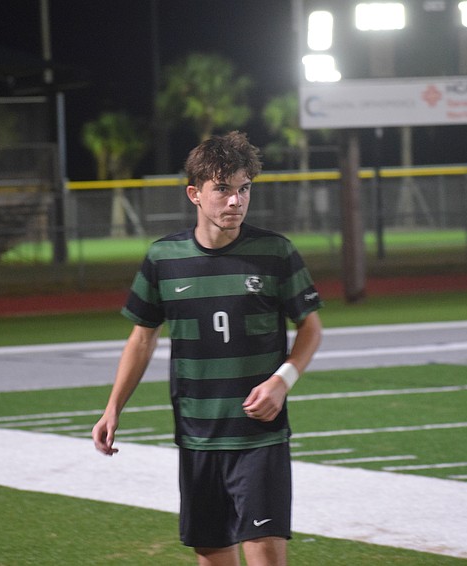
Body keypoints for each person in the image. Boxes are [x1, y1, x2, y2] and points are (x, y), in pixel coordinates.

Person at [92, 131, 323, 566]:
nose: (235, 201)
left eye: (244, 189)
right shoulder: (164, 258)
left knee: (266, 554)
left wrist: (282, 381)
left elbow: (310, 327)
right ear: (195, 194)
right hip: (197, 438)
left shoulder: (275, 253)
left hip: (259, 438)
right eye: (223, 189)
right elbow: (142, 338)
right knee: (213, 556)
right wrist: (112, 408)